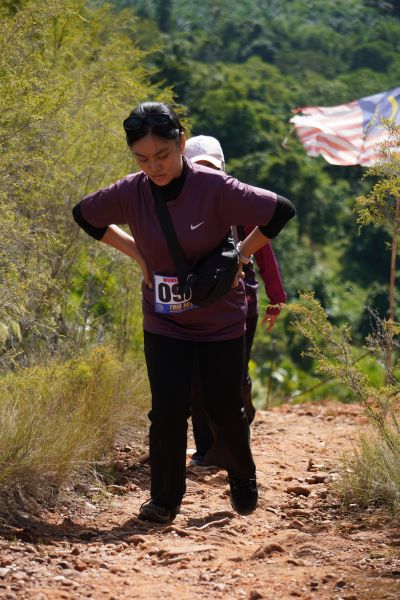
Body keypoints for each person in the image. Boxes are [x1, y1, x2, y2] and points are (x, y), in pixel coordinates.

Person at [72, 101, 295, 524]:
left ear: (181, 143)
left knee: (224, 409)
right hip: (164, 320)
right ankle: (164, 500)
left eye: (162, 155)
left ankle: (242, 474)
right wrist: (137, 253)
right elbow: (85, 215)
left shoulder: (215, 187)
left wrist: (241, 256)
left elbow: (279, 210)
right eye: (142, 158)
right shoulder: (131, 191)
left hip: (220, 321)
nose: (154, 167)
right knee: (167, 411)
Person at [183, 135, 286, 468]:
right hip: (194, 306)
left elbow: (263, 249)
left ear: (222, 168)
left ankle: (236, 437)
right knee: (197, 381)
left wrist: (276, 297)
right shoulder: (177, 207)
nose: (207, 176)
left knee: (235, 378)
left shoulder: (238, 202)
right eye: (199, 169)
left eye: (212, 168)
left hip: (241, 305)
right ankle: (206, 448)